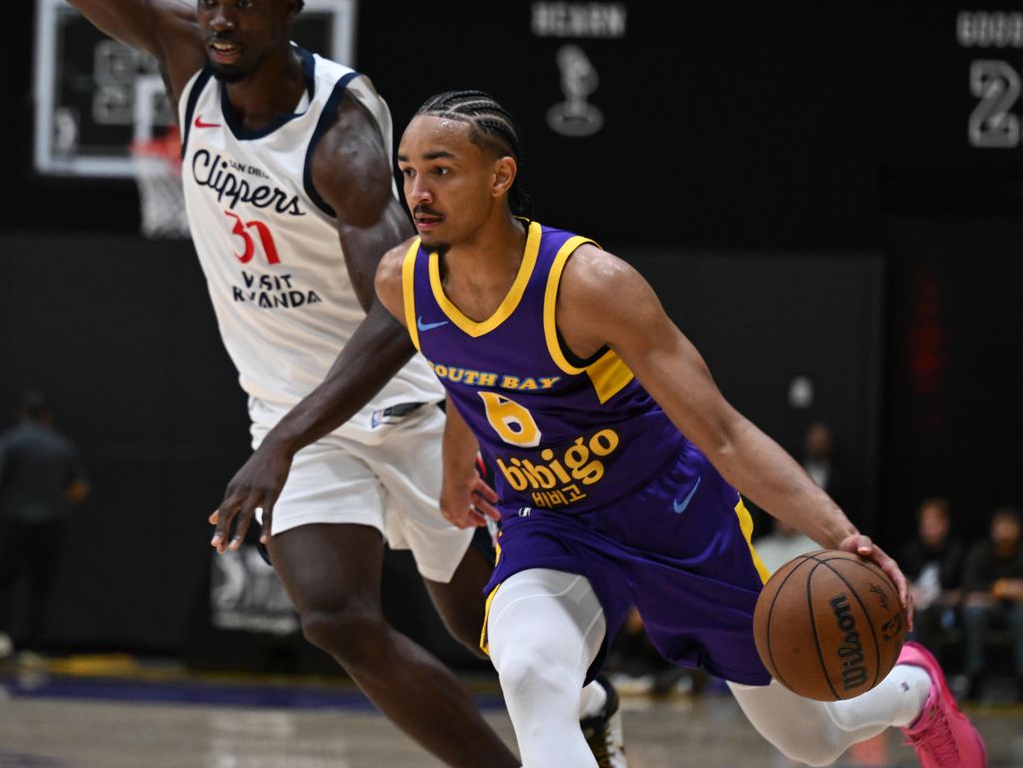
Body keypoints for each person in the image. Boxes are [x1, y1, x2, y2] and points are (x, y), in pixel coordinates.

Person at [30, 0, 622, 766]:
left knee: (475, 621)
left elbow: (399, 317)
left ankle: (586, 699)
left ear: (289, 8)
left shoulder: (342, 140)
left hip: (405, 402)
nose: (220, 22)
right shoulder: (187, 56)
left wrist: (279, 445)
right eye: (209, 1)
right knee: (334, 617)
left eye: (243, 4)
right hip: (291, 412)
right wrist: (286, 435)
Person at [368, 88, 986, 768]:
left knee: (812, 738)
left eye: (440, 169)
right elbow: (465, 372)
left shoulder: (590, 286)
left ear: (500, 176)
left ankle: (913, 687)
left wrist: (843, 536)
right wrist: (459, 467)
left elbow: (723, 433)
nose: (417, 191)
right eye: (406, 170)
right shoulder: (404, 280)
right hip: (549, 518)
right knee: (529, 677)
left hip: (671, 514)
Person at [0, 391, 88, 663]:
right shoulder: (62, 446)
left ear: (23, 416)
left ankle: (0, 637)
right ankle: (34, 647)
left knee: (5, 580)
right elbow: (79, 488)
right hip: (51, 524)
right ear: (47, 417)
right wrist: (57, 501)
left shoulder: (10, 441)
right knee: (40, 584)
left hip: (15, 520)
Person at [960, 506, 1023, 702]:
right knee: (974, 612)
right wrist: (1001, 587)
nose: (1005, 530)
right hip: (987, 608)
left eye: (1009, 526)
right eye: (1000, 525)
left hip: (1015, 609)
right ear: (993, 529)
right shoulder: (981, 552)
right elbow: (969, 586)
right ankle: (974, 675)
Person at [899, 497, 965, 663]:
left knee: (930, 615)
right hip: (915, 607)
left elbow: (965, 590)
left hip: (945, 609)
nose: (930, 529)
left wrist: (941, 599)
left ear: (945, 524)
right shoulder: (911, 551)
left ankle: (932, 666)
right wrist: (911, 592)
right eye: (925, 524)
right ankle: (906, 663)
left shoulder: (957, 552)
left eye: (935, 524)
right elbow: (902, 580)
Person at [753, 514, 822, 572]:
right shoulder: (761, 548)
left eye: (788, 516)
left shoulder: (816, 546)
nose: (784, 521)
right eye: (780, 515)